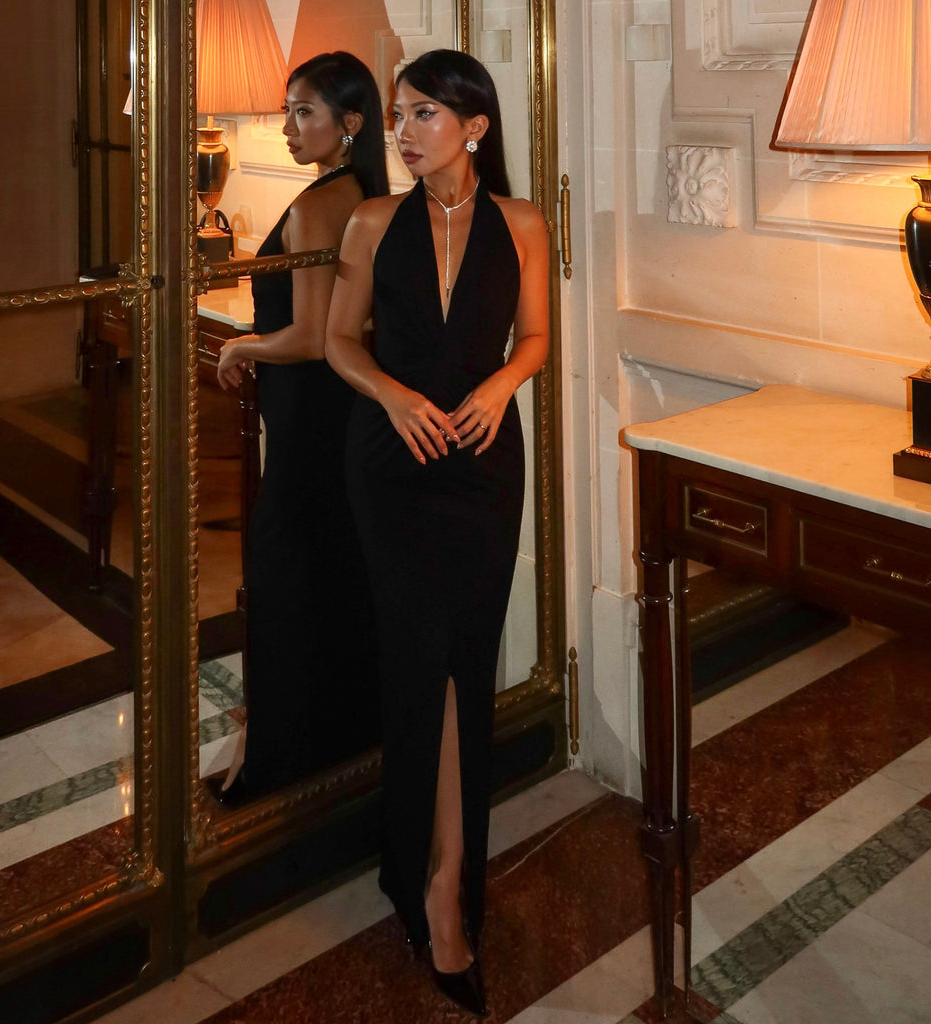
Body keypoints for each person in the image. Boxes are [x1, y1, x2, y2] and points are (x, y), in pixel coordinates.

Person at [325, 49, 549, 1017]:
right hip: (394, 465)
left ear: (475, 126)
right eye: (398, 115)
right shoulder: (372, 221)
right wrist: (394, 394)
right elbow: (338, 340)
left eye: (422, 114)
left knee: (467, 661)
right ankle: (428, 882)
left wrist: (501, 386)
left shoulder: (523, 223)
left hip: (486, 468)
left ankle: (448, 879)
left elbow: (535, 337)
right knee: (418, 664)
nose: (404, 132)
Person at [210, 52, 388, 806]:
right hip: (336, 412)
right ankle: (328, 737)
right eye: (288, 110)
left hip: (311, 408)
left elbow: (314, 337)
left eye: (303, 111)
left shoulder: (322, 204)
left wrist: (243, 346)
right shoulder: (363, 194)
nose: (287, 126)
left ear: (349, 123)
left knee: (285, 573)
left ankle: (281, 752)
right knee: (329, 569)